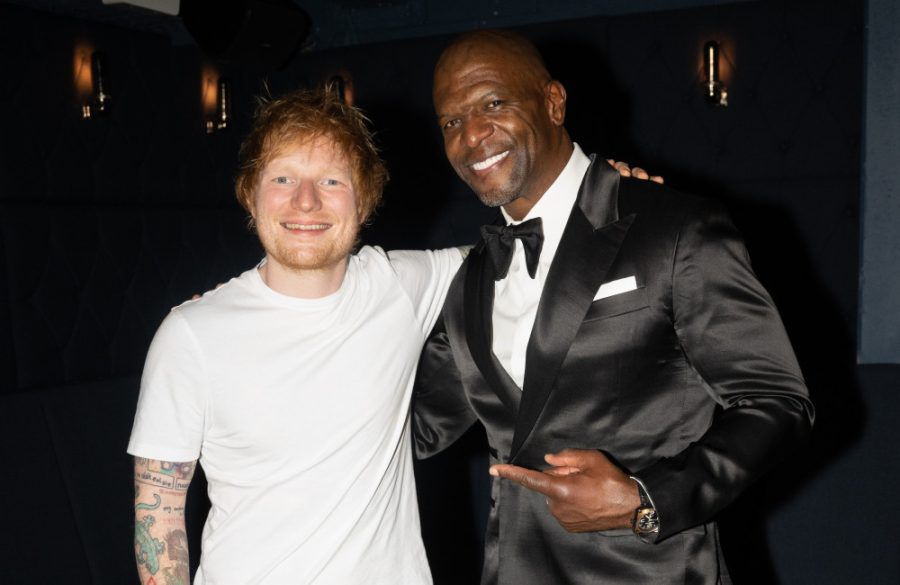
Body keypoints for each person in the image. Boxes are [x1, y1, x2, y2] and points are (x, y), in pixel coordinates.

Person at [412, 29, 814, 585]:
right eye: (451, 122)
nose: (472, 135)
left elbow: (777, 402)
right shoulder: (468, 277)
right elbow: (414, 430)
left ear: (553, 102)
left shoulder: (674, 228)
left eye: (493, 103)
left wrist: (646, 499)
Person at [127, 88, 464, 584]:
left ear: (365, 198)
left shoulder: (397, 285)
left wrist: (611, 188)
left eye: (331, 180)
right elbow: (158, 519)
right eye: (283, 178)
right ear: (250, 193)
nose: (305, 201)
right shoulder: (190, 335)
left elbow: (527, 253)